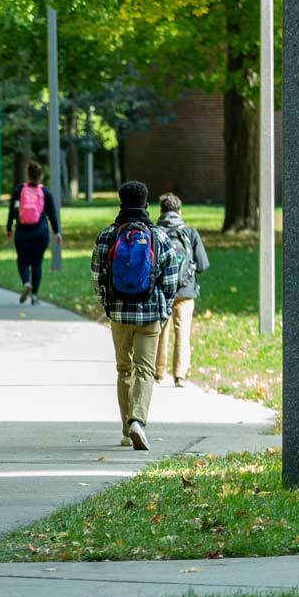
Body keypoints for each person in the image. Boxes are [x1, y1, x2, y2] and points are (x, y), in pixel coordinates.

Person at [90, 181, 181, 450]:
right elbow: (170, 279)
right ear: (146, 206)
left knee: (123, 369)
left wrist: (107, 304)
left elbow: (98, 275)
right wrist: (163, 311)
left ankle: (125, 429)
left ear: (120, 204)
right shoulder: (158, 237)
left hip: (118, 314)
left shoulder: (107, 235)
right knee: (145, 369)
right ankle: (138, 421)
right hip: (150, 314)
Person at [154, 193, 208, 386]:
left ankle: (158, 373)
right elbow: (202, 264)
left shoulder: (155, 232)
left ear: (161, 211)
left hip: (161, 292)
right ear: (180, 211)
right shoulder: (190, 233)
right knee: (182, 332)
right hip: (186, 291)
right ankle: (180, 375)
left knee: (161, 332)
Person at [5, 161, 62, 305]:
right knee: (37, 263)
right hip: (41, 231)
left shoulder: (19, 190)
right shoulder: (45, 192)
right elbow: (53, 215)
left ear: (27, 175)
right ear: (40, 176)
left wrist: (9, 228)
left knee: (22, 261)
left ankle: (26, 283)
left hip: (23, 231)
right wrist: (57, 232)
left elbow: (12, 211)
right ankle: (35, 296)